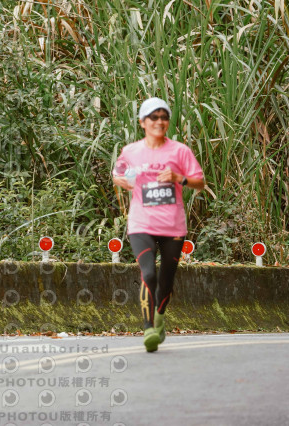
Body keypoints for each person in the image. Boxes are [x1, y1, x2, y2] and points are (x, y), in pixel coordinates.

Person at [112, 97, 205, 352]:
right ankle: (149, 328)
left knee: (166, 279)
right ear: (143, 122)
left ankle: (160, 316)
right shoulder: (131, 151)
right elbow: (117, 173)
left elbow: (199, 182)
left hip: (172, 225)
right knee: (148, 273)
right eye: (154, 117)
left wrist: (178, 178)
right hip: (141, 223)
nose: (160, 122)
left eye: (164, 117)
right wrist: (123, 181)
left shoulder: (180, 151)